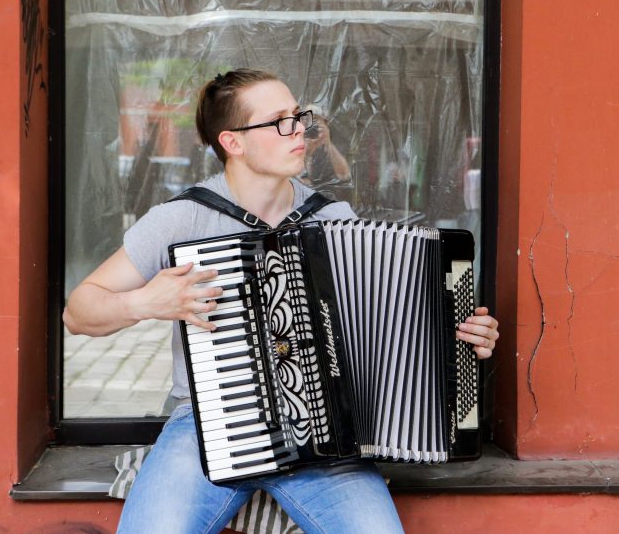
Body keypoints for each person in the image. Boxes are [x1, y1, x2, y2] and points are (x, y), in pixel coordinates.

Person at [62, 68, 500, 534]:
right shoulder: (180, 220)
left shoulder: (333, 219)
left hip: (326, 436)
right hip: (209, 425)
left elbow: (388, 329)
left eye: (299, 116)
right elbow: (78, 312)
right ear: (233, 142)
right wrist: (146, 302)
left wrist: (458, 337)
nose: (301, 131)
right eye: (280, 122)